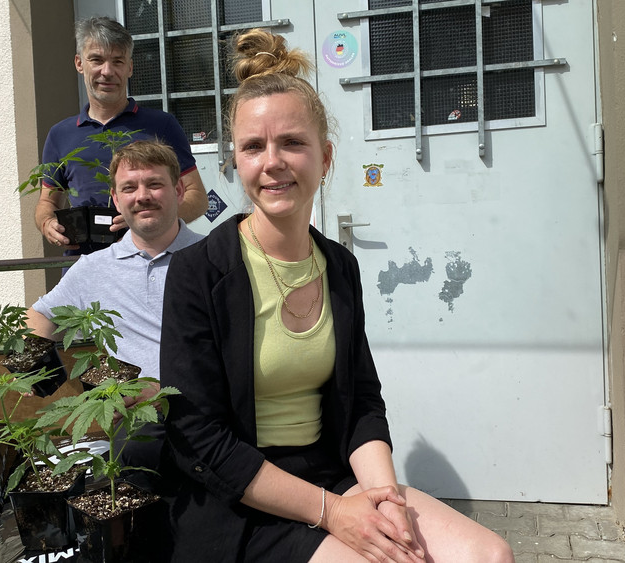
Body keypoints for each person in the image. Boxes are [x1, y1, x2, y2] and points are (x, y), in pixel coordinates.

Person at [159, 29, 514, 563]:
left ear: (325, 158)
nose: (273, 162)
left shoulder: (340, 267)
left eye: (293, 143)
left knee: (488, 555)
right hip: (244, 503)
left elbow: (363, 402)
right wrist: (332, 513)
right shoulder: (198, 273)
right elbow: (199, 438)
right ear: (235, 162)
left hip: (335, 477)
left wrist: (384, 499)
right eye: (254, 147)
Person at [26, 140, 202, 466]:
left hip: (207, 408)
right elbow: (40, 315)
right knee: (136, 451)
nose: (142, 196)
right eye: (129, 188)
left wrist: (163, 389)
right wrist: (33, 370)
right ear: (116, 200)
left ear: (178, 190)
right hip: (141, 420)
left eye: (154, 184)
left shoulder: (214, 257)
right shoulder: (95, 269)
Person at [36, 16, 208, 255]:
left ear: (130, 67)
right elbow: (48, 202)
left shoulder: (161, 126)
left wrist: (148, 219)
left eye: (117, 61)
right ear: (79, 63)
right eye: (96, 60)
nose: (107, 72)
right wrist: (47, 223)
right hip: (82, 266)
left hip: (150, 261)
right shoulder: (60, 135)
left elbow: (197, 198)